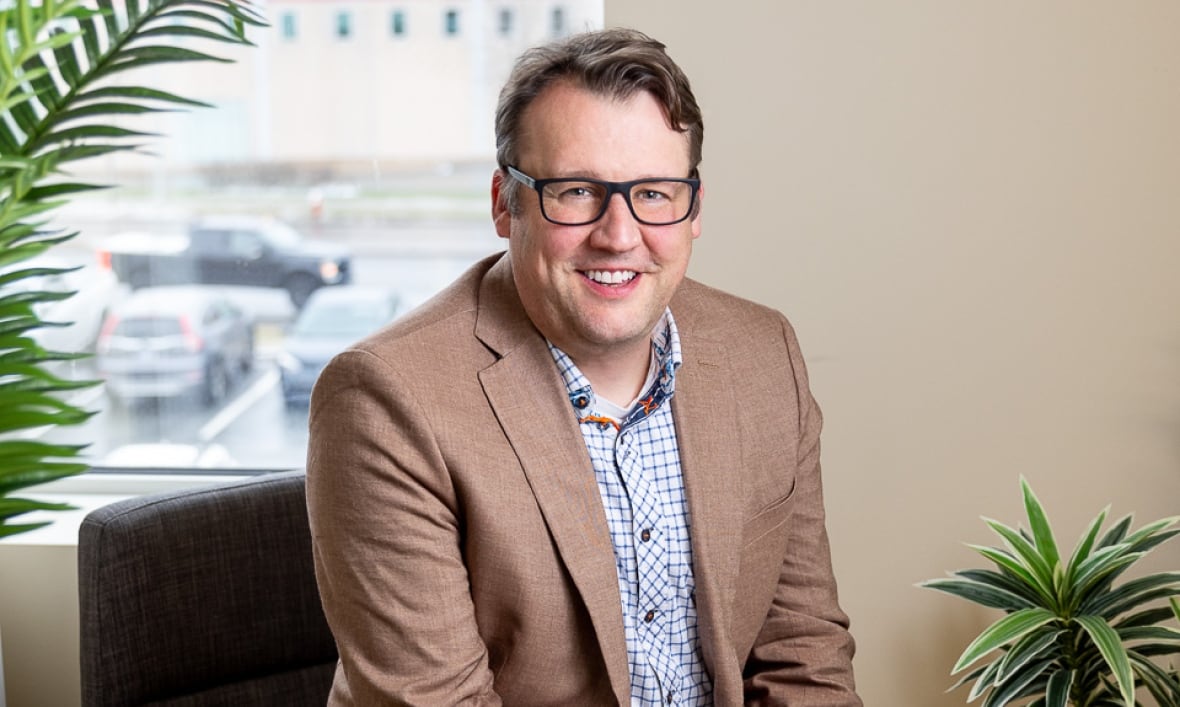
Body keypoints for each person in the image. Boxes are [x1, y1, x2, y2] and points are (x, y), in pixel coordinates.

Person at [306, 27, 861, 706]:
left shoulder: (761, 352)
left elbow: (806, 657)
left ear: (694, 209)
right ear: (504, 205)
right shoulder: (386, 400)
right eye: (575, 191)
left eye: (654, 193)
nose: (619, 234)